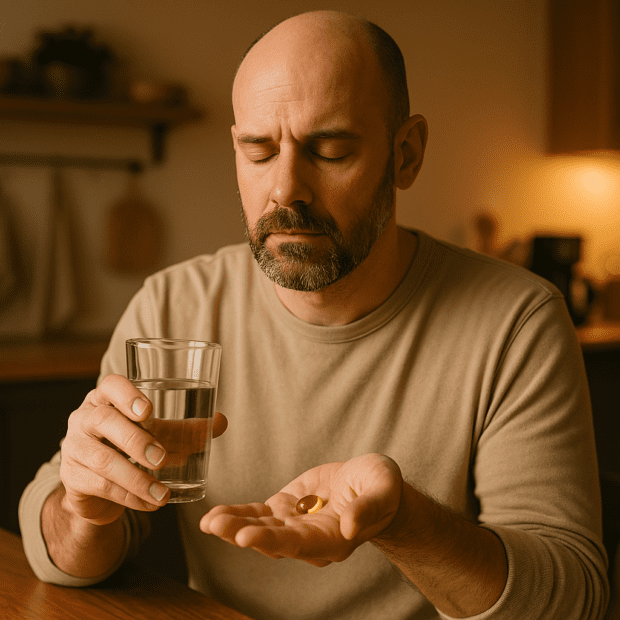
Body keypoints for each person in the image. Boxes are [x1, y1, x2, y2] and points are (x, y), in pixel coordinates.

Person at [19, 10, 609, 620]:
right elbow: (58, 551)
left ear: (406, 155)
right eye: (259, 151)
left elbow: (573, 598)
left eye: (328, 151)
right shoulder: (175, 307)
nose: (286, 189)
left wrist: (404, 521)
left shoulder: (516, 322)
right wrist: (85, 511)